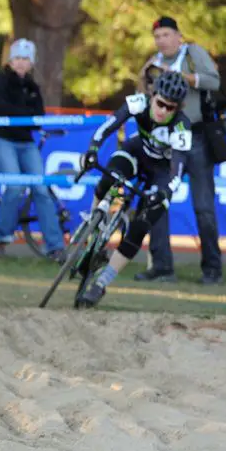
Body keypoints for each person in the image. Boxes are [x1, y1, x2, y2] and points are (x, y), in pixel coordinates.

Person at [75, 71, 192, 308]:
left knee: (142, 225)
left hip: (162, 172)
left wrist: (165, 192)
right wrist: (93, 149)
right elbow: (108, 126)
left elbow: (178, 168)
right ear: (152, 95)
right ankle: (94, 222)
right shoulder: (138, 102)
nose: (163, 111)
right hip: (137, 153)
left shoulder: (182, 125)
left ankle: (102, 283)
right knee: (110, 175)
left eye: (171, 108)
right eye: (160, 104)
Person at [135, 16, 222, 285]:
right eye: (158, 36)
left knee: (203, 206)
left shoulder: (193, 54)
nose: (162, 40)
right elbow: (145, 95)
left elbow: (214, 82)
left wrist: (182, 77)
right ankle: (161, 267)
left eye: (166, 34)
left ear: (178, 36)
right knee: (157, 201)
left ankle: (212, 269)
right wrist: (145, 79)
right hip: (165, 138)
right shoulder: (153, 62)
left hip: (195, 135)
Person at [0, 39, 66, 263]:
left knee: (41, 189)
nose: (21, 63)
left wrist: (20, 117)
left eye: (25, 59)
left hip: (26, 143)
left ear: (32, 63)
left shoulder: (32, 87)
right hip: (0, 140)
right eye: (17, 58)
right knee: (15, 185)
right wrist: (23, 116)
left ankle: (56, 247)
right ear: (10, 61)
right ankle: (1, 242)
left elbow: (38, 118)